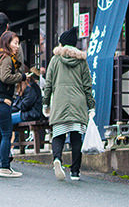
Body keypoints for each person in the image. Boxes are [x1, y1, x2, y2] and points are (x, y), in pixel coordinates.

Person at [41, 27, 95, 182]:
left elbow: (48, 84)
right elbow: (87, 85)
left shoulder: (55, 60)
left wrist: (45, 103)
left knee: (58, 134)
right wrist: (91, 105)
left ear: (62, 43)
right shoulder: (82, 61)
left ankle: (57, 159)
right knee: (76, 137)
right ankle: (75, 171)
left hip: (60, 102)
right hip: (78, 103)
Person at [0, 31, 29, 178]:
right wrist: (21, 77)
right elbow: (5, 77)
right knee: (6, 134)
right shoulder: (6, 57)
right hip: (1, 102)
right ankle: (4, 167)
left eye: (18, 43)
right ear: (7, 43)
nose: (17, 46)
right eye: (15, 43)